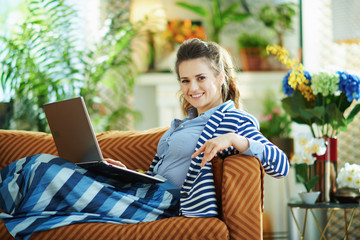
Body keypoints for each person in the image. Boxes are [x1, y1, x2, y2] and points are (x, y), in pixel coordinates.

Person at [0, 38, 289, 239]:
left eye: (201, 78)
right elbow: (159, 174)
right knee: (42, 164)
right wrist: (125, 173)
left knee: (44, 169)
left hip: (166, 204)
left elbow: (280, 165)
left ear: (220, 78)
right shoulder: (182, 125)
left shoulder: (233, 120)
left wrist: (234, 140)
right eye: (185, 80)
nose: (193, 87)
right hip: (144, 193)